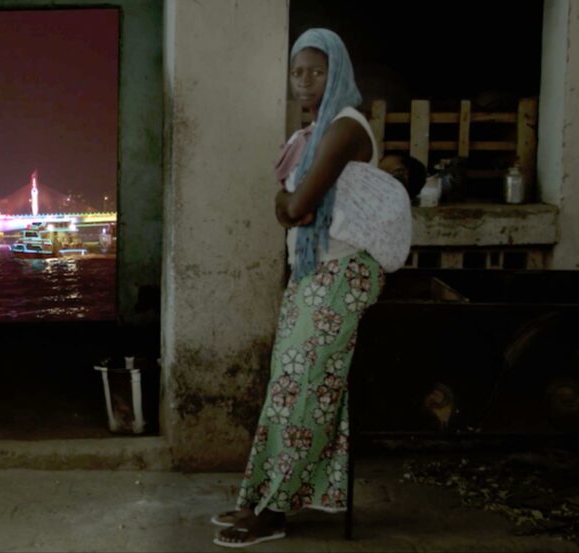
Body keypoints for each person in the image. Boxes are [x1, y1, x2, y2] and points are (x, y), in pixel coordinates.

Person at [212, 28, 412, 548]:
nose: (304, 82)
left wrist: (283, 205)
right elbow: (295, 202)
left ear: (339, 73)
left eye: (316, 72)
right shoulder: (317, 130)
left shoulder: (344, 129)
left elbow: (297, 207)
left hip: (342, 274)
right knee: (289, 387)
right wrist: (289, 202)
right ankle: (260, 498)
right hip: (315, 274)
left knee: (303, 392)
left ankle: (276, 512)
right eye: (297, 72)